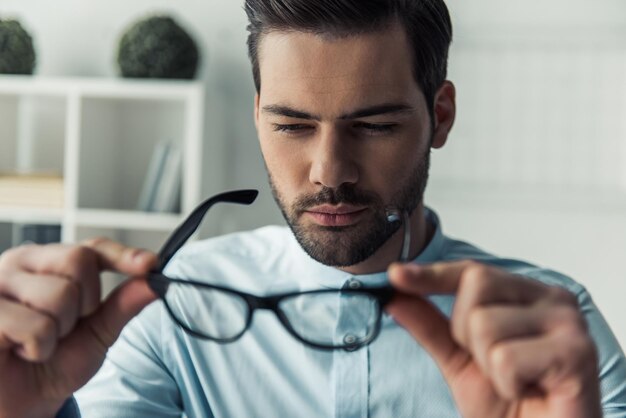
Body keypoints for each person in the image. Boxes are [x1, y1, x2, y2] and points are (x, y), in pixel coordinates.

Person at [0, 0, 625, 417]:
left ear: (440, 116)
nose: (329, 172)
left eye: (374, 126)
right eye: (293, 126)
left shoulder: (551, 332)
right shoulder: (175, 306)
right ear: (257, 117)